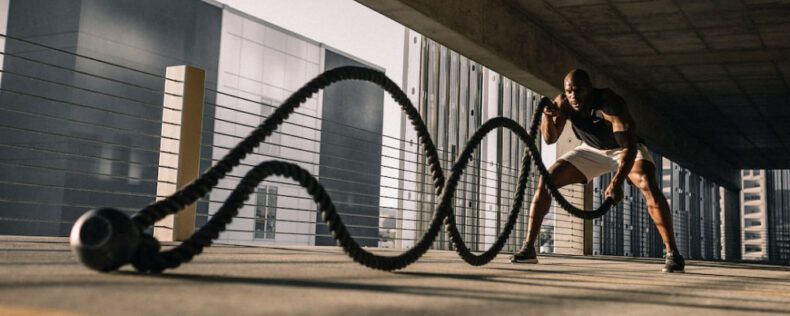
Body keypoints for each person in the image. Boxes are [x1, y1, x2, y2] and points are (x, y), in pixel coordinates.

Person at [510, 69, 685, 273]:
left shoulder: (610, 103)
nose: (574, 96)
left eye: (579, 90)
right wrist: (547, 118)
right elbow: (550, 138)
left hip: (624, 149)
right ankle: (529, 248)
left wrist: (617, 182)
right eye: (569, 91)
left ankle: (673, 253)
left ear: (590, 89)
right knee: (547, 180)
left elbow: (629, 147)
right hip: (590, 149)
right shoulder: (564, 102)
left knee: (647, 183)